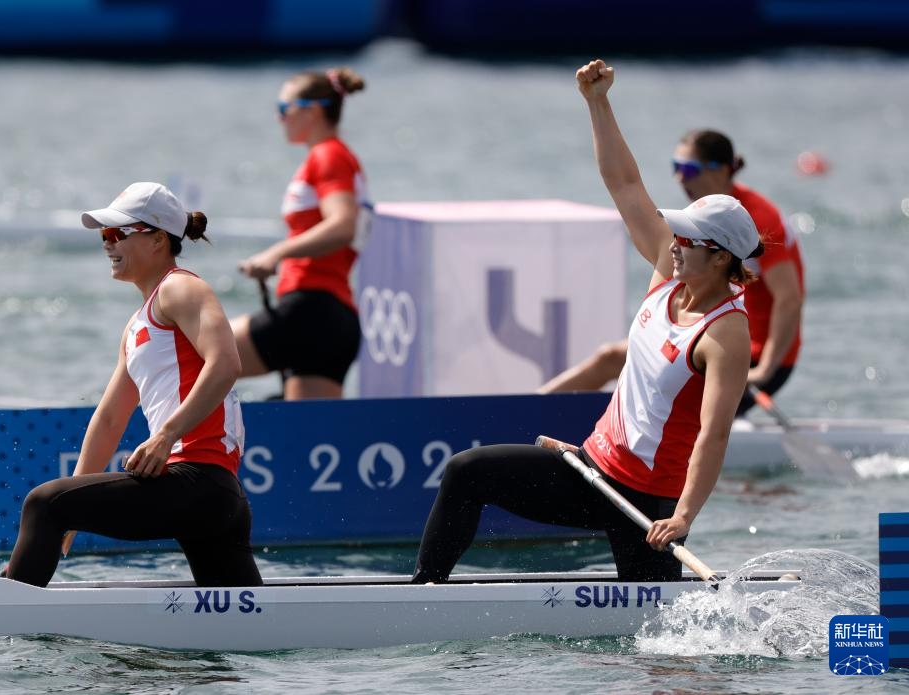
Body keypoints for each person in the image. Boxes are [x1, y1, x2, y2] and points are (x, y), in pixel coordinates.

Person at [412, 60, 763, 584]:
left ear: (720, 258)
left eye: (688, 240)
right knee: (467, 471)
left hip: (647, 503)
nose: (675, 244)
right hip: (592, 471)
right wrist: (597, 101)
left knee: (654, 633)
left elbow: (713, 436)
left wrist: (684, 516)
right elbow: (624, 183)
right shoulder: (668, 271)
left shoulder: (725, 333)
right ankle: (425, 592)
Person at [3, 182, 263, 588]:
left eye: (117, 233)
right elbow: (109, 419)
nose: (107, 243)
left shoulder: (181, 287)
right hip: (208, 498)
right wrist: (71, 511)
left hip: (197, 481)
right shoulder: (136, 326)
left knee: (42, 503)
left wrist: (165, 436)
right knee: (245, 616)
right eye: (104, 235)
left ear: (158, 240)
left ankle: (8, 612)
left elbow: (226, 363)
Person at [539, 130, 804, 417]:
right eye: (675, 167)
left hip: (753, 356)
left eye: (689, 169)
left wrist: (766, 370)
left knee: (631, 376)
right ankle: (527, 408)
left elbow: (789, 299)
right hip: (705, 338)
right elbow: (624, 184)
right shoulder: (702, 219)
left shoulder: (758, 218)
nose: (679, 177)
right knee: (611, 357)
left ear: (721, 170)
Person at [231, 67, 370, 400]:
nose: (279, 118)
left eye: (284, 108)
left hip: (309, 310)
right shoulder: (337, 156)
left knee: (186, 355)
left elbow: (343, 225)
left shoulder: (328, 155)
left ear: (313, 110)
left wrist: (275, 254)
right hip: (332, 319)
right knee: (313, 431)